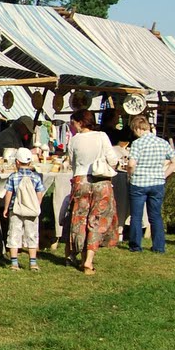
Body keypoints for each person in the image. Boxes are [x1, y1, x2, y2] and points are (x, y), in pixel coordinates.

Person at [64, 107, 117, 275]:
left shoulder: (74, 140)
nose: (73, 126)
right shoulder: (101, 136)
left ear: (80, 123)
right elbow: (113, 159)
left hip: (81, 181)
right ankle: (88, 260)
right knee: (97, 220)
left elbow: (72, 162)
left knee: (79, 219)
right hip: (101, 182)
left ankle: (78, 253)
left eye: (74, 123)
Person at [125, 115, 175, 254]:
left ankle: (135, 245)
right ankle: (159, 246)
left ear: (138, 128)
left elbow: (131, 164)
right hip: (157, 182)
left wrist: (129, 173)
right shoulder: (162, 142)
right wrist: (164, 174)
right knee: (155, 215)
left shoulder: (137, 143)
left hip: (139, 182)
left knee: (136, 215)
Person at [2, 147, 46, 272]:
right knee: (32, 235)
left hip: (16, 210)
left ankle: (14, 263)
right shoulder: (36, 177)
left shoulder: (13, 176)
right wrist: (37, 206)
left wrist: (6, 208)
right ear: (30, 162)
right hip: (31, 210)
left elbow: (9, 193)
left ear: (17, 162)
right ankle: (33, 263)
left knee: (14, 234)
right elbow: (40, 193)